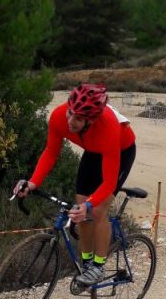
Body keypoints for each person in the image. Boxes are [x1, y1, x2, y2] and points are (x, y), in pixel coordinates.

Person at [14, 83, 137, 286]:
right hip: (93, 150)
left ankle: (98, 267)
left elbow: (108, 182)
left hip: (120, 151)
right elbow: (51, 152)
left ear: (92, 120)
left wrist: (90, 204)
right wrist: (33, 182)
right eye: (70, 113)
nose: (71, 121)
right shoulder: (58, 116)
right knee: (80, 212)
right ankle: (86, 262)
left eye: (78, 118)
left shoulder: (108, 128)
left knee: (97, 210)